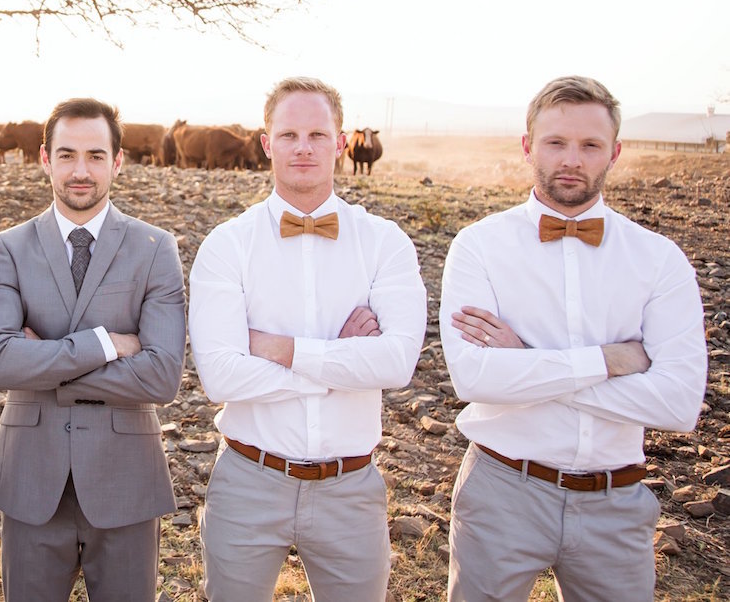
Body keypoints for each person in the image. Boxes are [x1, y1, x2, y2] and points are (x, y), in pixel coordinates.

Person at [440, 76, 706, 602]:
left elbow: (678, 405)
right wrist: (609, 361)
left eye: (590, 145)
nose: (571, 159)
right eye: (556, 142)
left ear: (615, 153)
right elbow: (474, 377)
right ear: (527, 146)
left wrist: (529, 364)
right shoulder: (479, 247)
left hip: (616, 502)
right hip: (501, 492)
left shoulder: (658, 259)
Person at [188, 77, 426, 602]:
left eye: (318, 134)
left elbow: (396, 364)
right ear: (266, 142)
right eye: (289, 134)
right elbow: (221, 377)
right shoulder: (228, 244)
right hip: (248, 480)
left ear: (341, 143)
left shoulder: (385, 242)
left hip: (352, 488)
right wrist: (341, 359)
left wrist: (280, 348)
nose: (303, 147)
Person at [0, 98, 186, 602]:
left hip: (127, 479)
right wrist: (105, 346)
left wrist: (46, 364)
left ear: (118, 161)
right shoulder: (10, 247)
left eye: (96, 155)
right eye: (67, 154)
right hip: (31, 478)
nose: (80, 170)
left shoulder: (157, 248)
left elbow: (161, 377)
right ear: (44, 158)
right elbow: (0, 362)